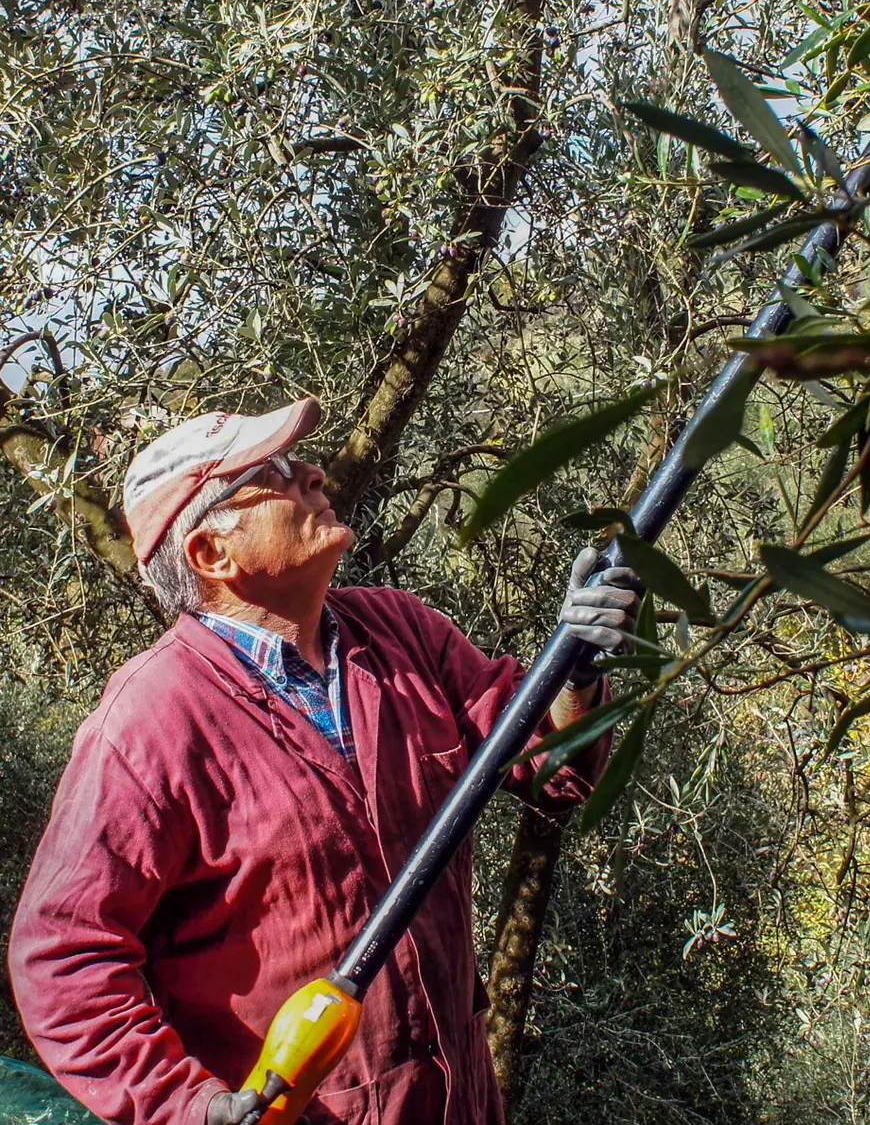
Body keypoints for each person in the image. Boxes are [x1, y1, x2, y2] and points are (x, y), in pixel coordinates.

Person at [9, 398, 640, 1125]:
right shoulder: (149, 725)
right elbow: (61, 960)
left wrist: (576, 672)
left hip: (461, 1100)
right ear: (213, 555)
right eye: (272, 473)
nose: (310, 471)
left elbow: (548, 771)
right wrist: (190, 1106)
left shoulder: (402, 632)